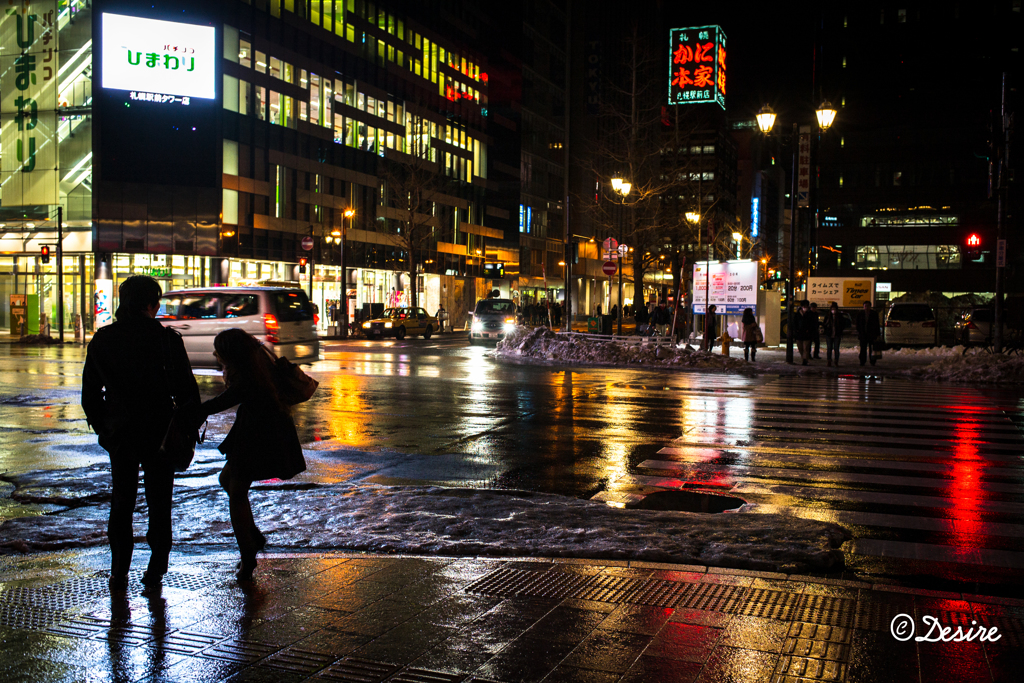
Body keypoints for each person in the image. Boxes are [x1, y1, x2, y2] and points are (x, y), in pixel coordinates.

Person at [81, 276, 200, 590]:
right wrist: (185, 431)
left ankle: (118, 570)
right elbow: (188, 393)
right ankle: (155, 570)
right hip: (160, 431)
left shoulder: (104, 339)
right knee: (160, 503)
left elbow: (90, 395)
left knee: (122, 503)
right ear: (151, 304)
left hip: (121, 432)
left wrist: (106, 428)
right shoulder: (166, 340)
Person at [199, 329, 306, 581]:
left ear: (231, 353)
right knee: (228, 481)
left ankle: (248, 555)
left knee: (236, 491)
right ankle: (252, 535)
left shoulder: (247, 375)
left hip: (257, 434)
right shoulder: (258, 363)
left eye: (220, 352)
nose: (216, 356)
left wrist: (191, 411)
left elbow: (222, 401)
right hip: (262, 429)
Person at [856, 300, 882, 366]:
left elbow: (877, 324)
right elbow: (858, 324)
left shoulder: (874, 314)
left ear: (870, 306)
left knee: (871, 348)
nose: (866, 307)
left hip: (871, 334)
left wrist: (877, 334)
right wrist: (859, 331)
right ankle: (863, 361)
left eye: (867, 306)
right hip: (863, 334)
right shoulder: (860, 314)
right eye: (865, 306)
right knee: (863, 349)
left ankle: (872, 361)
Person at [822, 302, 846, 367]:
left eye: (834, 309)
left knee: (836, 348)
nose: (833, 311)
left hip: (837, 334)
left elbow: (843, 324)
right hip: (829, 334)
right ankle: (829, 361)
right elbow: (824, 324)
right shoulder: (828, 316)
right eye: (832, 309)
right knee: (829, 348)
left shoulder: (839, 316)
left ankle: (836, 361)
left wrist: (840, 330)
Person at [794, 300, 815, 365]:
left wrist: (809, 330)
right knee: (800, 348)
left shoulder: (809, 314)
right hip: (799, 334)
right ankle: (803, 358)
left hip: (806, 334)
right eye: (804, 306)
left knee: (806, 348)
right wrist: (796, 330)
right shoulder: (797, 314)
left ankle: (805, 360)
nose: (806, 308)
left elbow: (812, 324)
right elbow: (794, 323)